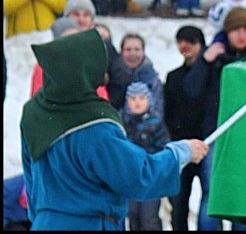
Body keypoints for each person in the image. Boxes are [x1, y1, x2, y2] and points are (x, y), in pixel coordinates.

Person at [19, 28, 208, 230]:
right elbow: (138, 176)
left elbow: (31, 184)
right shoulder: (93, 124)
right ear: (85, 69)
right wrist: (181, 152)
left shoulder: (34, 113)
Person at [183, 7, 246, 229]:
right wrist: (205, 60)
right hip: (216, 135)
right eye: (236, 29)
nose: (241, 35)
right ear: (227, 31)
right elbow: (191, 90)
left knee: (240, 196)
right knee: (212, 194)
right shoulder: (214, 57)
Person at [164, 25, 207, 232]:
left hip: (207, 143)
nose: (185, 45)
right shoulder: (173, 77)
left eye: (191, 41)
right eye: (181, 41)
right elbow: (168, 111)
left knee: (209, 203)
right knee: (179, 204)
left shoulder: (211, 75)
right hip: (181, 144)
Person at [122, 81, 170, 230]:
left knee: (149, 218)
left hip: (150, 179)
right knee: (133, 215)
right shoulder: (123, 123)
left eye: (142, 98)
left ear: (149, 100)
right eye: (133, 99)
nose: (137, 103)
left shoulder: (155, 124)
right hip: (130, 180)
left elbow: (164, 149)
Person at [108, 32, 165, 117]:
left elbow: (159, 108)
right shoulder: (111, 77)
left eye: (137, 49)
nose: (132, 53)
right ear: (121, 52)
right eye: (128, 49)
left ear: (143, 52)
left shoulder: (152, 79)